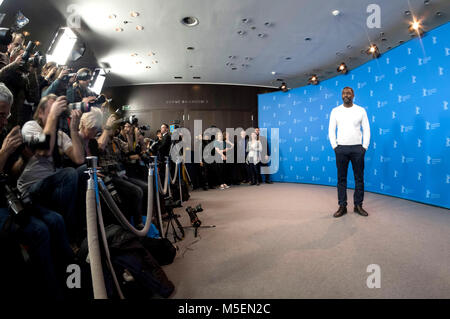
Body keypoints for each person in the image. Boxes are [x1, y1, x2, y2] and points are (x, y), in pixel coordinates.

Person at [0, 83, 73, 299]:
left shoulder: (5, 130)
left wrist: (23, 156)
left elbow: (14, 171)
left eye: (6, 115)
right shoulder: (30, 125)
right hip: (8, 202)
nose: (4, 121)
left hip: (11, 198)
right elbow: (45, 148)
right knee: (39, 230)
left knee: (57, 221)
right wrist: (4, 152)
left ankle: (73, 281)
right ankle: (54, 292)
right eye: (1, 115)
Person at [16, 94, 85, 243]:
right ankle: (71, 233)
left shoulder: (60, 135)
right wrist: (53, 115)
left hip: (51, 186)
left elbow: (79, 159)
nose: (57, 112)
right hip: (31, 189)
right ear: (40, 113)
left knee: (85, 170)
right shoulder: (30, 127)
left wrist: (73, 129)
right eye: (52, 108)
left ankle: (82, 227)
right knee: (69, 173)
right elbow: (44, 150)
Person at [328, 87, 370, 218]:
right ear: (341, 96)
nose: (346, 95)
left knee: (359, 179)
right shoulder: (335, 111)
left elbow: (367, 129)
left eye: (349, 93)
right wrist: (335, 147)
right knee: (341, 179)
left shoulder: (361, 110)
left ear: (353, 95)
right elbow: (331, 130)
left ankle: (358, 205)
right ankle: (342, 206)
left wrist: (364, 147)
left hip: (357, 149)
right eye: (344, 93)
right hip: (341, 149)